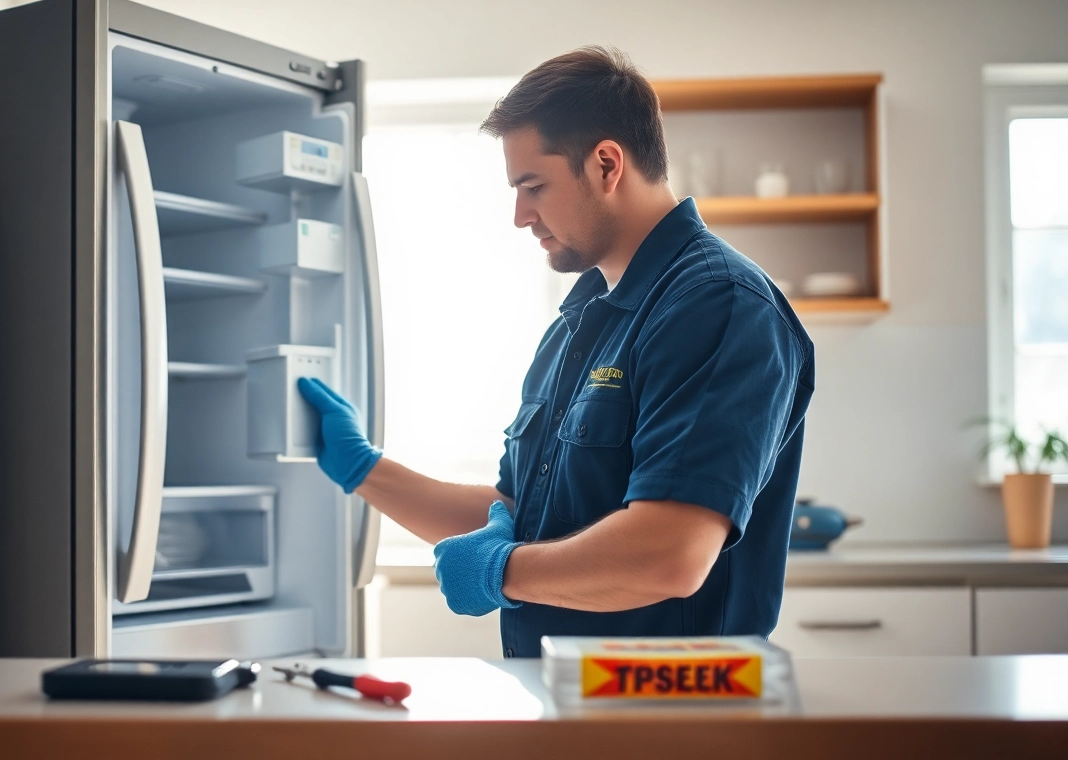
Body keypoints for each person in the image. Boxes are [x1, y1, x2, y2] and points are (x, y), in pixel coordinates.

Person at [297, 46, 814, 658]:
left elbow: (671, 555)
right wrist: (364, 469)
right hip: (570, 705)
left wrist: (503, 573)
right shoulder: (580, 321)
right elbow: (517, 521)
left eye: (533, 185)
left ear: (605, 164)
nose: (520, 216)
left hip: (672, 714)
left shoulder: (716, 305)